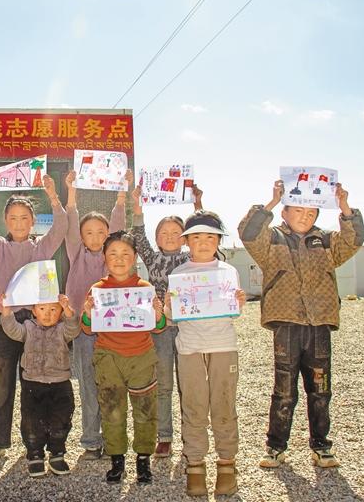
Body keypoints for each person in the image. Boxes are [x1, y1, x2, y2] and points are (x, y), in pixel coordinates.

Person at [238, 180, 364, 469]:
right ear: (284, 212)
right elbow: (247, 232)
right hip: (287, 324)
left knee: (320, 389)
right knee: (284, 390)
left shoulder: (327, 241)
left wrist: (345, 207)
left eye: (311, 212)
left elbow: (354, 241)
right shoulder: (271, 241)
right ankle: (275, 447)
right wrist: (272, 201)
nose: (304, 216)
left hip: (319, 324)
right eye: (297, 210)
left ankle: (321, 446)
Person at [0, 175, 68, 464]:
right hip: (4, 321)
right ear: (5, 221)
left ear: (32, 221)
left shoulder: (41, 247)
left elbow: (61, 227)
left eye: (24, 217)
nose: (18, 223)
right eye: (13, 218)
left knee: (36, 386)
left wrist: (53, 196)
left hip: (37, 324)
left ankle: (35, 442)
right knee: (1, 385)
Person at [162, 211, 246, 496]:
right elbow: (172, 317)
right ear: (186, 241)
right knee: (194, 406)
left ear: (218, 240)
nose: (203, 242)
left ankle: (227, 463)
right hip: (189, 348)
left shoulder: (228, 271)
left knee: (224, 405)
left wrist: (238, 303)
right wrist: (168, 305)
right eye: (196, 236)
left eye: (210, 236)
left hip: (223, 345)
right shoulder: (178, 275)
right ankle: (195, 463)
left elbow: (232, 313)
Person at [82, 231, 165, 485]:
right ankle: (116, 459)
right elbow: (87, 328)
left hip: (141, 356)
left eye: (126, 253)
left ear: (135, 257)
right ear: (104, 258)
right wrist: (87, 314)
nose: (119, 259)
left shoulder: (145, 288)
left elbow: (158, 327)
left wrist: (158, 314)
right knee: (112, 409)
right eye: (113, 254)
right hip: (108, 357)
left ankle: (143, 458)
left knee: (145, 409)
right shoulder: (97, 289)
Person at [130, 184, 203, 458]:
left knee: (189, 385)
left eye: (176, 233)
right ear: (157, 238)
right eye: (164, 233)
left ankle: (190, 436)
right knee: (163, 385)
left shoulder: (192, 257)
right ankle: (164, 436)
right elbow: (138, 236)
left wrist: (198, 204)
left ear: (184, 238)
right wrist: (137, 204)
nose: (170, 236)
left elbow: (203, 235)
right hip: (160, 329)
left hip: (188, 329)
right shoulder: (152, 259)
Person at [63, 169, 130, 460]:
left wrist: (121, 195)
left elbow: (119, 225)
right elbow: (70, 222)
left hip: (113, 332)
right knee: (89, 386)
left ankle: (114, 438)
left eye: (101, 232)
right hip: (83, 331)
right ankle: (91, 439)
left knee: (114, 386)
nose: (95, 237)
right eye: (88, 232)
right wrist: (71, 192)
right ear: (80, 236)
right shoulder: (75, 253)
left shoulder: (112, 258)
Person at [0, 293, 80, 477]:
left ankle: (57, 453)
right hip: (33, 384)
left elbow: (74, 329)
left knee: (60, 420)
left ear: (60, 312)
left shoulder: (62, 330)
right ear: (34, 310)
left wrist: (68, 310)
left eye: (53, 309)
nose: (47, 314)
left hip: (60, 383)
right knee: (31, 421)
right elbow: (12, 330)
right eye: (42, 309)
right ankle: (34, 454)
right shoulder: (28, 328)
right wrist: (6, 311)